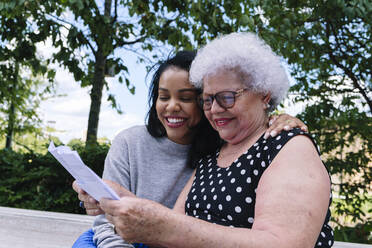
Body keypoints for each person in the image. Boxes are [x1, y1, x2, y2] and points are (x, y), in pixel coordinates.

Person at [97, 33, 334, 248]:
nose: (215, 109)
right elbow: (171, 230)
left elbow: (283, 244)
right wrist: (125, 204)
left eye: (227, 98)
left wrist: (162, 225)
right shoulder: (214, 154)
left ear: (264, 95)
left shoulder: (287, 146)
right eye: (208, 100)